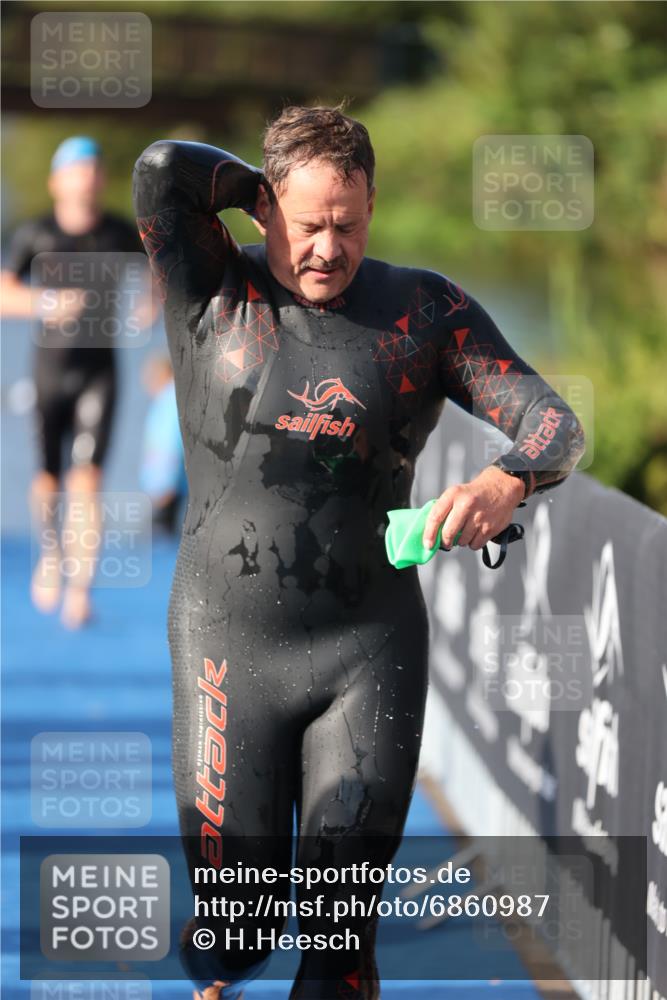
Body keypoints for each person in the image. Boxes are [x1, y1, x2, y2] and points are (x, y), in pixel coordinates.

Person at [132, 104, 585, 1000]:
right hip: (229, 645)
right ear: (263, 209)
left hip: (367, 653)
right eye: (305, 225)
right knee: (237, 929)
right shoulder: (210, 290)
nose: (326, 250)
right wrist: (251, 193)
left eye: (348, 224)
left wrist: (509, 481)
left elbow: (553, 424)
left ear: (373, 206)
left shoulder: (423, 312)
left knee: (339, 942)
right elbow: (159, 171)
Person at [1, 136, 155, 628]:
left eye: (93, 169)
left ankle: (81, 589)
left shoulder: (117, 232)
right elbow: (3, 294)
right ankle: (50, 554)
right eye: (76, 170)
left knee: (87, 482)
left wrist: (151, 304)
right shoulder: (36, 234)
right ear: (57, 181)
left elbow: (160, 268)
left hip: (99, 371)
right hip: (48, 370)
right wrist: (45, 303)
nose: (86, 178)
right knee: (48, 480)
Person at [139, 353, 187, 534]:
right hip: (165, 483)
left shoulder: (170, 400)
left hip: (167, 486)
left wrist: (165, 483)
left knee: (162, 536)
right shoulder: (165, 399)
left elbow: (171, 443)